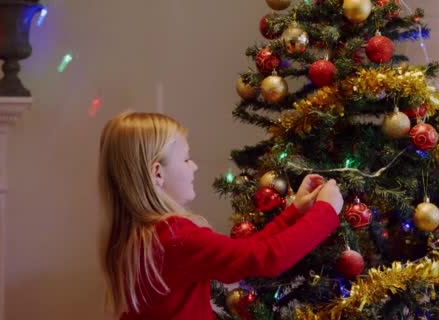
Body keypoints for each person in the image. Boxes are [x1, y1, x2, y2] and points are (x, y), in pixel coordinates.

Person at [98, 112, 343, 320]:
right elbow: (267, 259)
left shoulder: (135, 235)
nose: (194, 166)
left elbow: (244, 253)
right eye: (186, 158)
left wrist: (295, 212)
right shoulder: (175, 238)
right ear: (158, 173)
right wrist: (326, 211)